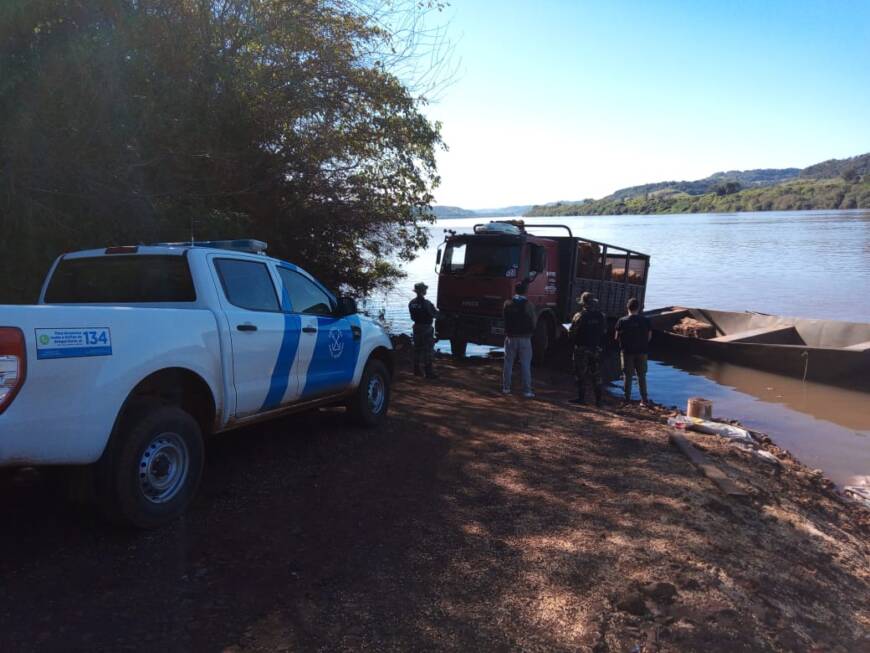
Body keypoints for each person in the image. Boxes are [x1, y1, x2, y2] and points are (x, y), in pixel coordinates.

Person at [569, 291, 607, 406]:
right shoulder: (601, 316)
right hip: (595, 348)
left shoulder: (579, 316)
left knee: (581, 374)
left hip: (582, 349)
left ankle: (582, 398)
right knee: (596, 375)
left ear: (583, 303)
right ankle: (599, 401)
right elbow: (604, 332)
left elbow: (572, 333)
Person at [615, 297, 652, 405]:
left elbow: (616, 337)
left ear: (627, 307)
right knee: (642, 376)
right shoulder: (646, 321)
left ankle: (627, 399)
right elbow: (649, 337)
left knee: (628, 375)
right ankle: (644, 400)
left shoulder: (622, 321)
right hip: (642, 352)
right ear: (639, 308)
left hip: (627, 352)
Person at [502, 281, 537, 398]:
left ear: (515, 290)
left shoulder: (507, 304)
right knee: (525, 365)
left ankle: (506, 388)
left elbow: (505, 319)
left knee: (508, 363)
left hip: (510, 337)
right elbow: (533, 321)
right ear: (525, 291)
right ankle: (527, 390)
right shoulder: (529, 305)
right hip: (525, 338)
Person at [408, 282, 438, 379]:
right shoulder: (427, 303)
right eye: (425, 289)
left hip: (416, 327)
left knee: (417, 348)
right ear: (423, 291)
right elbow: (435, 314)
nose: (426, 290)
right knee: (428, 350)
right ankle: (428, 373)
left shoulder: (411, 303)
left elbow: (412, 317)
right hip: (426, 328)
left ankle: (416, 370)